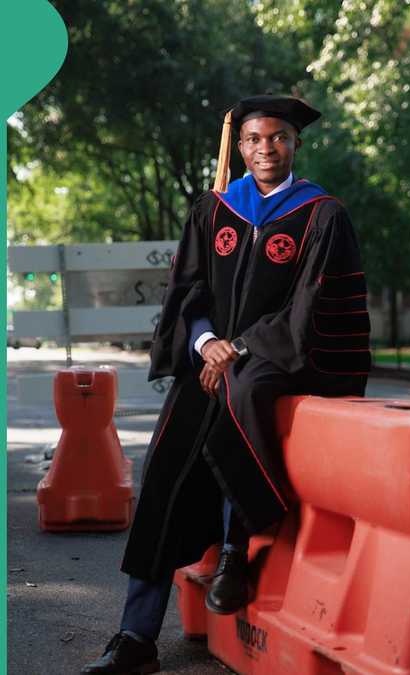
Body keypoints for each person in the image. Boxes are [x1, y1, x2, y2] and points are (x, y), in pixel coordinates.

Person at [82, 95, 372, 674]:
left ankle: (238, 550)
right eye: (255, 139)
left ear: (296, 144)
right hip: (207, 363)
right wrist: (207, 343)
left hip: (273, 364)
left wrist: (240, 349)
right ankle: (135, 636)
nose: (267, 148)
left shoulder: (322, 215)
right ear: (238, 148)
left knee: (244, 404)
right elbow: (188, 292)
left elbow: (313, 306)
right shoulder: (213, 210)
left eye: (280, 137)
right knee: (163, 471)